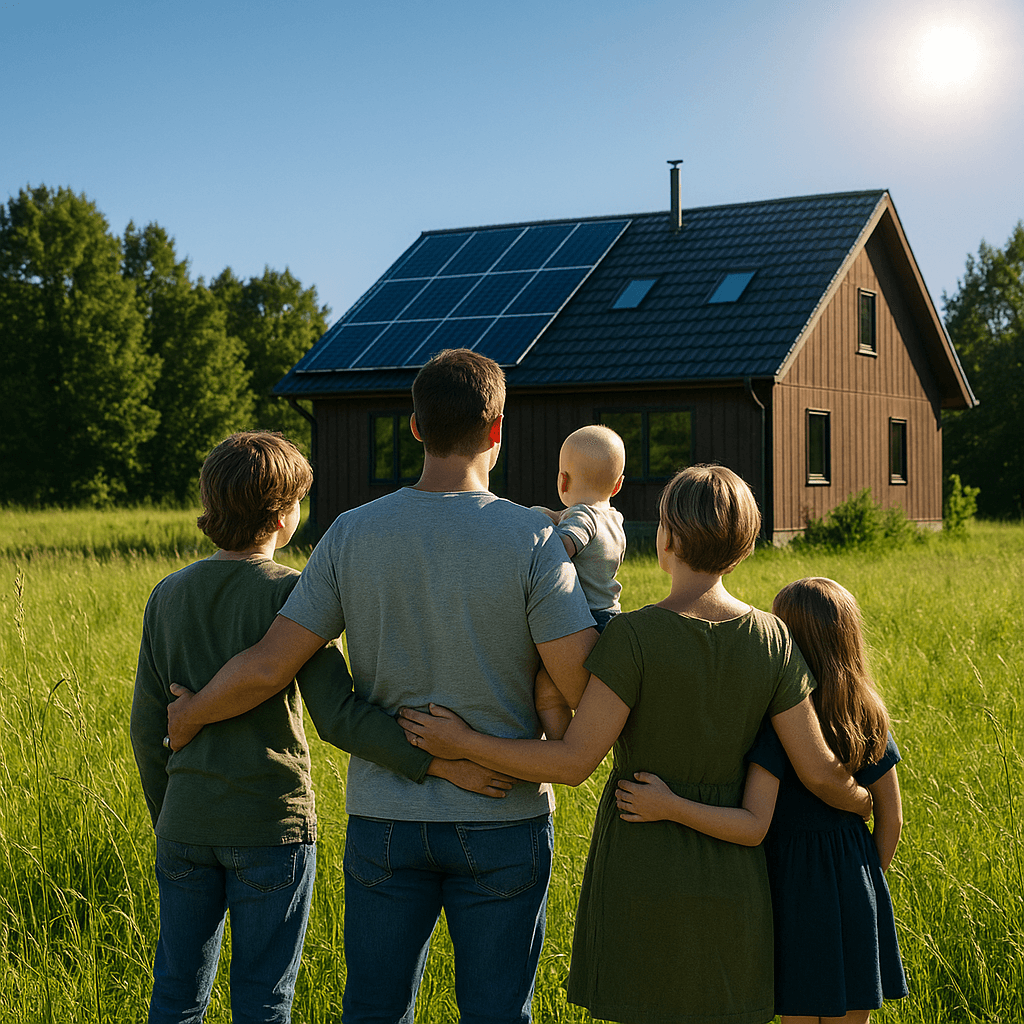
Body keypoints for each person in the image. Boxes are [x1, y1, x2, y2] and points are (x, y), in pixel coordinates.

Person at [165, 350, 597, 1024]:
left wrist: (190, 712)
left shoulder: (351, 532)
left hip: (385, 818)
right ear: (496, 430)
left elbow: (269, 666)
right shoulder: (534, 537)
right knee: (496, 1012)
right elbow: (582, 685)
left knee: (373, 1009)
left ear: (416, 427)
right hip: (503, 814)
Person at [400, 464, 873, 1024]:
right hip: (735, 872)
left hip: (640, 860)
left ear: (666, 538)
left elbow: (573, 762)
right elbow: (818, 770)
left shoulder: (633, 636)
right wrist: (869, 802)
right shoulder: (773, 639)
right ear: (745, 548)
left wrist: (463, 740)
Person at [133, 431, 504, 1023]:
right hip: (269, 825)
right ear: (284, 516)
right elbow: (339, 717)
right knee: (263, 999)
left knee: (175, 996)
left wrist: (171, 815)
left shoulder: (167, 594)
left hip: (184, 826)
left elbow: (147, 729)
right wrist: (438, 761)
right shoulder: (293, 593)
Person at [616, 578, 908, 1023]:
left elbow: (754, 822)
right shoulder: (865, 716)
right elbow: (892, 819)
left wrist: (670, 805)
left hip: (790, 891)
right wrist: (866, 879)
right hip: (855, 885)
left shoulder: (777, 726)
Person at [531, 424, 626, 738]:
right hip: (609, 616)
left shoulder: (582, 517)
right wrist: (553, 515)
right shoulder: (614, 519)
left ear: (563, 480)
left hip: (584, 620)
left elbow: (562, 548)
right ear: (617, 485)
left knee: (546, 690)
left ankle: (562, 743)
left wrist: (538, 533)